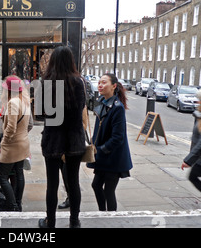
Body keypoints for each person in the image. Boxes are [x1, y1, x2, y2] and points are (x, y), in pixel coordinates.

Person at [38, 46, 86, 228]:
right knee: (73, 182)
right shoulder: (78, 82)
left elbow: (41, 113)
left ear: (53, 62)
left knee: (52, 184)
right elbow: (80, 109)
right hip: (74, 139)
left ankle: (50, 221)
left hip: (53, 139)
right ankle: (74, 221)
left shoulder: (46, 82)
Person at [87, 73, 132, 212]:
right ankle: (102, 213)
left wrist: (100, 150)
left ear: (113, 86)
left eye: (104, 82)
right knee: (96, 185)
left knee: (109, 190)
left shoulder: (117, 107)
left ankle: (112, 219)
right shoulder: (103, 102)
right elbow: (99, 128)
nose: (100, 85)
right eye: (99, 82)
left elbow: (118, 137)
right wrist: (93, 143)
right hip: (102, 155)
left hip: (113, 158)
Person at [0, 75, 32, 211]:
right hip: (23, 143)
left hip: (12, 145)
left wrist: (4, 141)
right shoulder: (26, 101)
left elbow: (11, 127)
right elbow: (29, 124)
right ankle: (18, 204)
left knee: (1, 176)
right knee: (18, 173)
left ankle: (12, 205)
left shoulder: (13, 103)